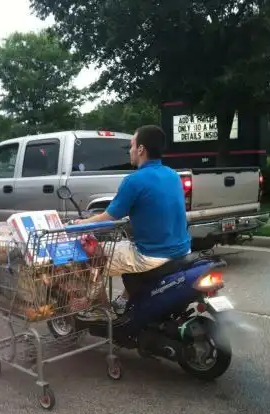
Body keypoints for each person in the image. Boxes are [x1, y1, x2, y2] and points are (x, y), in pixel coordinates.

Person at [74, 125, 191, 316]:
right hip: (183, 250)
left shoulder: (134, 180)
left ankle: (101, 311)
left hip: (151, 256)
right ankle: (124, 300)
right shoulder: (172, 175)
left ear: (141, 149)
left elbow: (109, 216)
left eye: (131, 146)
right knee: (124, 247)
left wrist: (81, 224)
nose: (130, 151)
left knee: (89, 255)